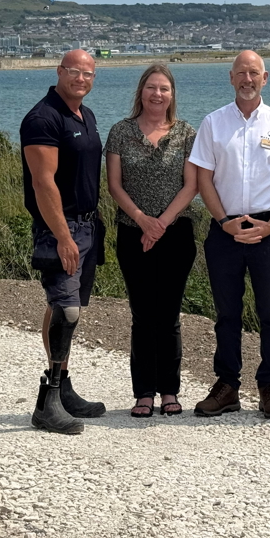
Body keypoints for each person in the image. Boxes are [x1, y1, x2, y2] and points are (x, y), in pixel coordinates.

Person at [189, 50, 270, 420]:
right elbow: (203, 178)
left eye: (253, 73)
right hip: (224, 230)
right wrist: (223, 221)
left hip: (268, 231)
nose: (247, 79)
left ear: (265, 78)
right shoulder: (213, 123)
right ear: (230, 77)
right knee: (227, 313)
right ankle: (227, 386)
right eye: (241, 73)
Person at [105, 64, 199, 418]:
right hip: (132, 232)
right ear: (140, 92)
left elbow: (191, 185)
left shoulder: (187, 133)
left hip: (176, 234)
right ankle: (143, 392)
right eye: (151, 88)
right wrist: (144, 220)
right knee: (143, 315)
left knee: (169, 315)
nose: (157, 94)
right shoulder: (120, 132)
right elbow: (115, 185)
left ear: (172, 95)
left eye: (164, 89)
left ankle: (170, 391)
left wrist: (161, 223)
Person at [20, 49, 106, 434]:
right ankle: (47, 404)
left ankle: (64, 389)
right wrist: (62, 236)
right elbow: (43, 182)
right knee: (66, 312)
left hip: (87, 226)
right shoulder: (43, 117)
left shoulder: (84, 114)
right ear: (59, 72)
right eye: (74, 71)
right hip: (61, 229)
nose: (81, 79)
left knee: (65, 309)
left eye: (88, 73)